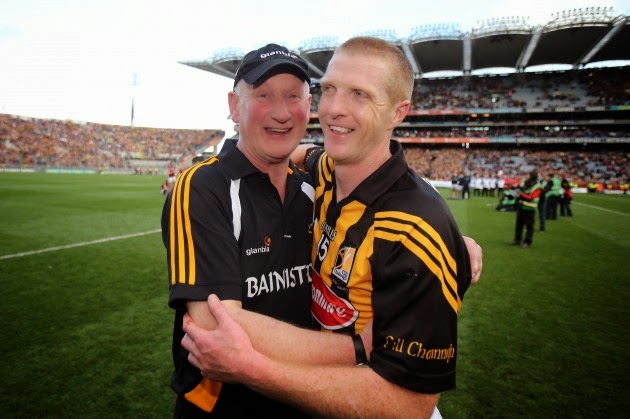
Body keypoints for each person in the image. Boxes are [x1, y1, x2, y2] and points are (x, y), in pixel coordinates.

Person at [182, 37, 477, 418]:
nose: (335, 108)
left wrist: (255, 370)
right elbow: (299, 153)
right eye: (330, 89)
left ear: (398, 112)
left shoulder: (418, 228)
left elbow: (409, 406)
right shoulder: (323, 172)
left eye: (360, 95)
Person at [513, 169, 542, 248]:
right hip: (521, 207)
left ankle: (527, 241)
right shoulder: (526, 183)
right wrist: (516, 187)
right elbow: (519, 189)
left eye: (528, 175)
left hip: (530, 208)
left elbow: (531, 197)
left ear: (532, 176)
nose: (526, 176)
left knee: (529, 226)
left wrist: (521, 194)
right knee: (519, 225)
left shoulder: (537, 186)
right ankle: (517, 239)